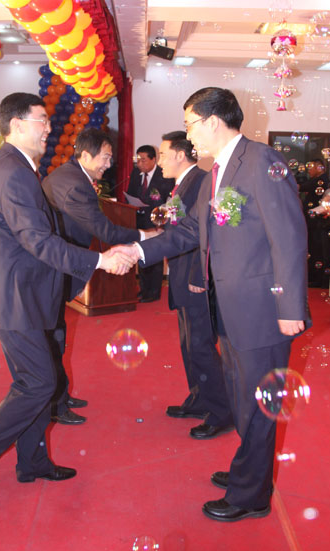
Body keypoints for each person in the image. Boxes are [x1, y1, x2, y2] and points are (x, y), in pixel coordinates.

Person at [116, 87, 310, 522]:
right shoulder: (216, 172)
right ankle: (250, 472)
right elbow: (189, 231)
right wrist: (138, 251)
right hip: (229, 309)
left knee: (257, 407)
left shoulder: (261, 162)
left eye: (190, 125)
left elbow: (289, 237)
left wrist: (291, 308)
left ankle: (250, 496)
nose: (188, 135)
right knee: (242, 400)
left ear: (213, 121)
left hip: (263, 312)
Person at [0, 93, 131, 493]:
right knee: (38, 383)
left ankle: (32, 462)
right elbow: (37, 240)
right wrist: (100, 260)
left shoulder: (16, 167)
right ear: (16, 125)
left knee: (35, 381)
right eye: (42, 120)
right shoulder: (13, 172)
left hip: (23, 292)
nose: (49, 128)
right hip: (14, 296)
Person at [42, 128, 155, 425]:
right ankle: (55, 404)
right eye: (105, 157)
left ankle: (60, 395)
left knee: (57, 336)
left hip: (59, 267)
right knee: (52, 340)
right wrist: (146, 235)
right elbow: (105, 230)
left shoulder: (72, 176)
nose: (108, 163)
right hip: (52, 270)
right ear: (85, 155)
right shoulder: (73, 184)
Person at [157, 131, 233, 436]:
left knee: (201, 345)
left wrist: (197, 276)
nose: (160, 161)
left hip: (194, 279)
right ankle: (200, 397)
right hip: (182, 275)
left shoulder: (200, 181)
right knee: (188, 343)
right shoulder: (184, 182)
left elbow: (205, 234)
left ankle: (222, 410)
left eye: (163, 154)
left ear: (179, 154)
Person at [126, 145, 174, 302]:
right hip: (138, 220)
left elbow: (168, 200)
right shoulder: (135, 173)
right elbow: (130, 194)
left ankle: (153, 292)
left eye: (143, 160)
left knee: (155, 257)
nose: (139, 163)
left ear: (154, 159)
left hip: (155, 222)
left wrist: (161, 222)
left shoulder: (164, 175)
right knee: (141, 255)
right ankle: (143, 289)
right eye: (138, 159)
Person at [300, 158, 330, 287]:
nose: (309, 170)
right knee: (312, 249)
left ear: (319, 167)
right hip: (311, 222)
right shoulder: (315, 180)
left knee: (317, 250)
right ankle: (313, 277)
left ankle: (318, 279)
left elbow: (302, 187)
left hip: (318, 223)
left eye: (311, 167)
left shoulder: (321, 180)